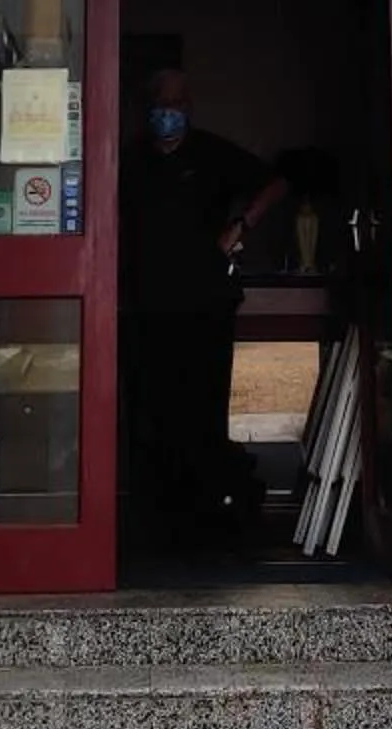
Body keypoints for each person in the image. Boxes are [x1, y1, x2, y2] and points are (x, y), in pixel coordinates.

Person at [117, 68, 287, 552]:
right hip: (146, 306)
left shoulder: (212, 153)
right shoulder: (130, 160)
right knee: (149, 416)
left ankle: (209, 524)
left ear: (188, 108)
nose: (166, 112)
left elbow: (275, 184)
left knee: (203, 412)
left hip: (205, 303)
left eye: (174, 103)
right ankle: (154, 527)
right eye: (159, 103)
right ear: (146, 108)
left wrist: (239, 226)